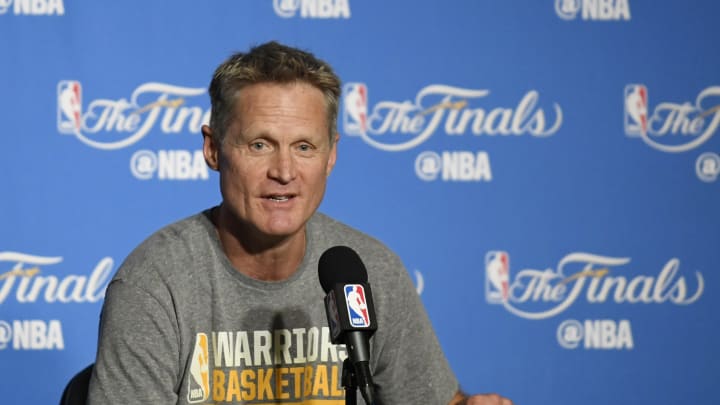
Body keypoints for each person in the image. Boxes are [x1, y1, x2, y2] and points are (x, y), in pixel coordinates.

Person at [87, 41, 513, 405]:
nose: (285, 170)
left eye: (305, 147)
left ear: (331, 155)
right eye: (260, 144)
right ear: (214, 150)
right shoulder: (156, 285)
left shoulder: (368, 272)